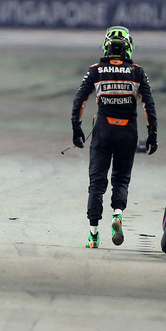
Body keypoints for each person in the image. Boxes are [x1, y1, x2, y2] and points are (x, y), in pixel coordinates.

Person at [70, 26, 157, 248]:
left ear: (107, 47)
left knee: (96, 183)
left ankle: (93, 235)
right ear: (128, 47)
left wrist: (76, 127)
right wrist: (152, 134)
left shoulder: (95, 70)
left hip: (103, 131)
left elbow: (80, 100)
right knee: (121, 178)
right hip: (128, 132)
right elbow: (149, 105)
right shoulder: (138, 72)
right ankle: (117, 213)